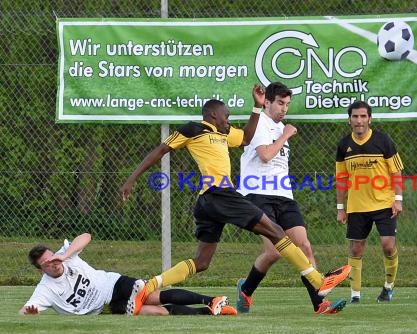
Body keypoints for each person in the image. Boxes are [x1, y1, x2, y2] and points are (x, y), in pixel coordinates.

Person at [120, 85, 350, 315]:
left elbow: (246, 138)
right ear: (213, 115)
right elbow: (160, 151)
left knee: (202, 262)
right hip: (219, 194)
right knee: (276, 232)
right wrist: (131, 179)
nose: (228, 120)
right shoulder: (193, 129)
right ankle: (318, 280)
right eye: (226, 116)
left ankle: (149, 285)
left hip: (210, 202)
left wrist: (256, 107)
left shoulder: (223, 134)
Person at [236, 82, 346, 315]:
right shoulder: (259, 125)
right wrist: (285, 135)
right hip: (258, 194)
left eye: (287, 104)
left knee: (304, 245)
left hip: (283, 195)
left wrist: (283, 133)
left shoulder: (281, 126)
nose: (284, 108)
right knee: (275, 251)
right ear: (266, 102)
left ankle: (320, 304)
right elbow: (265, 155)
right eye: (280, 103)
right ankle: (246, 289)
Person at [19, 233, 236, 316]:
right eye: (48, 263)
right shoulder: (45, 289)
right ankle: (210, 312)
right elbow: (25, 311)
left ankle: (211, 300)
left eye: (52, 257)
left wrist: (65, 255)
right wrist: (29, 313)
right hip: (105, 307)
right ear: (40, 270)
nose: (54, 263)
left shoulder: (66, 257)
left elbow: (86, 236)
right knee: (156, 313)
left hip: (113, 284)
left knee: (151, 295)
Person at [335, 101, 404, 303]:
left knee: (388, 246)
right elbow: (341, 179)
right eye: (355, 117)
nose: (359, 121)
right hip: (357, 206)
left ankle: (388, 287)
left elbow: (396, 171)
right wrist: (341, 208)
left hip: (384, 203)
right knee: (356, 249)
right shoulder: (343, 145)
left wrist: (398, 200)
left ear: (370, 119)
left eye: (363, 116)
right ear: (349, 120)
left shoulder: (383, 141)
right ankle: (355, 295)